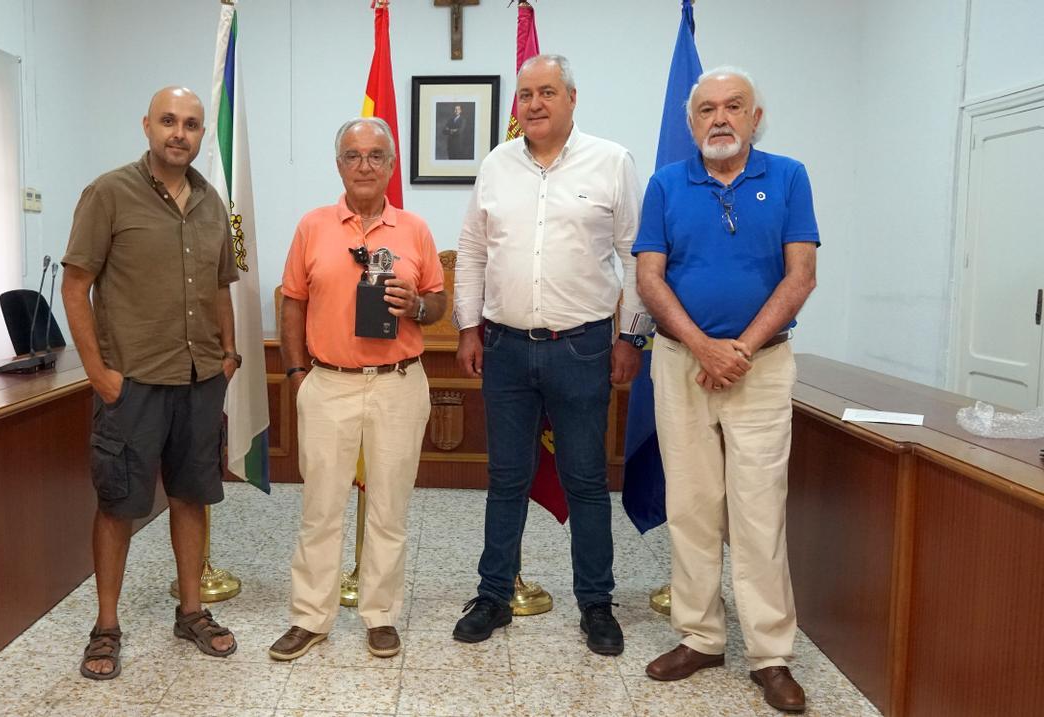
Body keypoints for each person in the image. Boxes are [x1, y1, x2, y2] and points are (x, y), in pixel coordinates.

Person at [451, 54, 650, 656]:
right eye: (525, 94)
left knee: (587, 481)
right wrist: (467, 327)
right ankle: (493, 594)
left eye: (546, 92)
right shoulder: (496, 164)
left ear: (571, 97)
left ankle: (596, 603)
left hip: (584, 348)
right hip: (506, 348)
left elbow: (637, 257)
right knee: (505, 478)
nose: (533, 103)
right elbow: (472, 251)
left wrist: (631, 336)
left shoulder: (611, 161)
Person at [633, 66, 819, 713]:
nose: (720, 118)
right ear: (691, 124)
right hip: (682, 365)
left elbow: (801, 277)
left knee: (760, 510)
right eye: (707, 108)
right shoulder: (664, 184)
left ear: (754, 117)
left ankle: (770, 653)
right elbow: (650, 280)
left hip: (762, 368)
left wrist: (738, 349)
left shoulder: (789, 177)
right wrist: (706, 347)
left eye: (733, 106)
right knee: (690, 502)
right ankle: (702, 635)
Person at [60, 86, 239, 680]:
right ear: (147, 126)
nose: (179, 133)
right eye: (168, 121)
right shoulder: (109, 192)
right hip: (132, 380)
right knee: (119, 504)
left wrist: (229, 355)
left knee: (190, 497)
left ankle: (191, 611)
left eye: (190, 124)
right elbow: (75, 286)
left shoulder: (213, 202)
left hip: (198, 378)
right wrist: (99, 374)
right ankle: (106, 626)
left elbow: (220, 288)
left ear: (200, 133)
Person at [268, 117, 447, 661]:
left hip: (398, 384)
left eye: (375, 156)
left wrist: (416, 305)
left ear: (392, 166)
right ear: (339, 164)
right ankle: (310, 617)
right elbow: (292, 301)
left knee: (389, 507)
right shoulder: (313, 226)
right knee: (320, 508)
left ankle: (380, 615)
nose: (364, 165)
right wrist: (297, 374)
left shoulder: (414, 229)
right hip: (328, 384)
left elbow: (438, 303)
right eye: (353, 155)